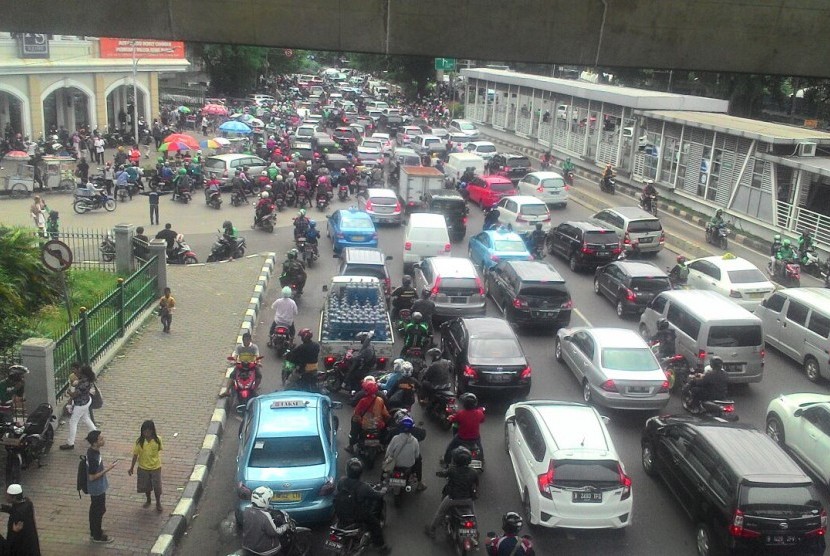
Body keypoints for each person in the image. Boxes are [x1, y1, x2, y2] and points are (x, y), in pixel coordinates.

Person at [334, 458, 390, 554]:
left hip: (340, 512)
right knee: (375, 524)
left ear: (347, 470)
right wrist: (383, 490)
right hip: (357, 515)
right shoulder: (363, 487)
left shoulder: (341, 481)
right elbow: (377, 495)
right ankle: (381, 547)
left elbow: (338, 491)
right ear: (360, 473)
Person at [425, 447, 479, 538]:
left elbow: (443, 473)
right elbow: (476, 484)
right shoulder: (473, 472)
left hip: (453, 498)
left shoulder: (452, 470)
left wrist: (438, 473)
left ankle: (432, 529)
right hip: (468, 499)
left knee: (441, 512)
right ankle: (476, 532)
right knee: (473, 516)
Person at [86, 430, 117, 543]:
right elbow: (92, 477)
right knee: (99, 510)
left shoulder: (93, 451)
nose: (103, 439)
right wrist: (108, 468)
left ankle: (94, 530)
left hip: (97, 488)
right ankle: (97, 536)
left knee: (95, 509)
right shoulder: (93, 457)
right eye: (100, 439)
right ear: (94, 443)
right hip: (97, 489)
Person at [242, 486, 290, 556]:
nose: (269, 502)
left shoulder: (246, 509)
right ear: (264, 501)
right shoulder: (265, 515)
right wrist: (286, 526)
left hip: (247, 545)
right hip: (263, 550)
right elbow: (275, 532)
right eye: (269, 500)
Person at [128, 420, 163, 512]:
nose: (146, 433)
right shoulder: (139, 442)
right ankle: (148, 499)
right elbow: (135, 455)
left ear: (152, 431)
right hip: (143, 468)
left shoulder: (158, 440)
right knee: (146, 485)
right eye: (144, 431)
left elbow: (159, 450)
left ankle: (158, 502)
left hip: (156, 467)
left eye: (148, 431)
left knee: (157, 486)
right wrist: (131, 467)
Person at [60, 364, 97, 450]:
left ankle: (70, 443)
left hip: (80, 404)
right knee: (85, 418)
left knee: (73, 422)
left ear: (84, 373)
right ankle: (95, 434)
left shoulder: (83, 383)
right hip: (87, 401)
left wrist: (69, 392)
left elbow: (74, 395)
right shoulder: (87, 380)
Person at [347, 379, 390, 453]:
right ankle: (383, 444)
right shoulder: (380, 400)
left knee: (354, 426)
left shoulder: (363, 400)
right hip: (377, 425)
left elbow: (356, 412)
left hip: (365, 424)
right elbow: (386, 414)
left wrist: (358, 419)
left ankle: (350, 446)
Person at [444, 393, 485, 465]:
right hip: (475, 438)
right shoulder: (479, 413)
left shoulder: (461, 413)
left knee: (450, 448)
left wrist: (450, 418)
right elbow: (482, 420)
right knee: (480, 448)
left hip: (462, 438)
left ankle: (446, 462)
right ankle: (482, 459)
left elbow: (454, 420)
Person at [1, 484, 39, 555]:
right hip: (30, 541)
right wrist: (3, 508)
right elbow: (14, 509)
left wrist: (15, 531)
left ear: (14, 497)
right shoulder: (27, 503)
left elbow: (14, 536)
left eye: (8, 496)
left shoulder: (18, 514)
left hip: (21, 545)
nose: (6, 497)